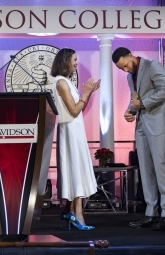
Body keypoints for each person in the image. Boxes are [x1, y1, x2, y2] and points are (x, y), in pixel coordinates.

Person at [112, 47, 165, 230]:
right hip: (141, 124)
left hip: (158, 122)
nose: (125, 70)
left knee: (160, 167)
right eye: (121, 69)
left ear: (130, 55)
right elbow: (136, 99)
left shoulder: (152, 66)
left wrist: (143, 104)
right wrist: (130, 111)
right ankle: (150, 212)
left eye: (125, 65)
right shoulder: (129, 76)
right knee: (145, 170)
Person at [50, 48, 100, 231]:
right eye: (74, 59)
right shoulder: (61, 82)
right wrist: (86, 93)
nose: (77, 63)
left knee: (75, 170)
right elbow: (73, 110)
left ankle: (69, 211)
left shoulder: (67, 82)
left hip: (75, 129)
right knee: (75, 170)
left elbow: (77, 109)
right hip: (70, 130)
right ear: (65, 61)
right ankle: (77, 214)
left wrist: (89, 92)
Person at [133, 147, 165, 214]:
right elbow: (142, 165)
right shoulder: (141, 150)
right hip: (153, 172)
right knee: (156, 175)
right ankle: (155, 205)